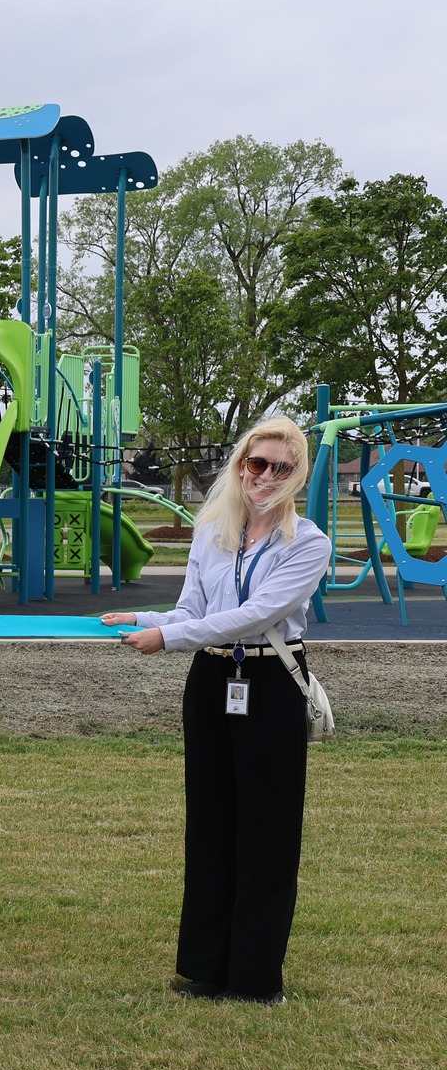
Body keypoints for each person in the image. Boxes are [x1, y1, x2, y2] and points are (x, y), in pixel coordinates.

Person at [104, 417, 330, 1006]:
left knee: (266, 831)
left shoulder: (308, 543)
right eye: (258, 463)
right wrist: (143, 620)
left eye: (282, 467)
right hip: (211, 678)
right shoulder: (212, 532)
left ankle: (254, 980)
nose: (267, 476)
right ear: (240, 465)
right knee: (210, 824)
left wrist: (167, 639)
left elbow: (257, 614)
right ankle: (206, 969)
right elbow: (192, 611)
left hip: (270, 681)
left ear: (297, 474)